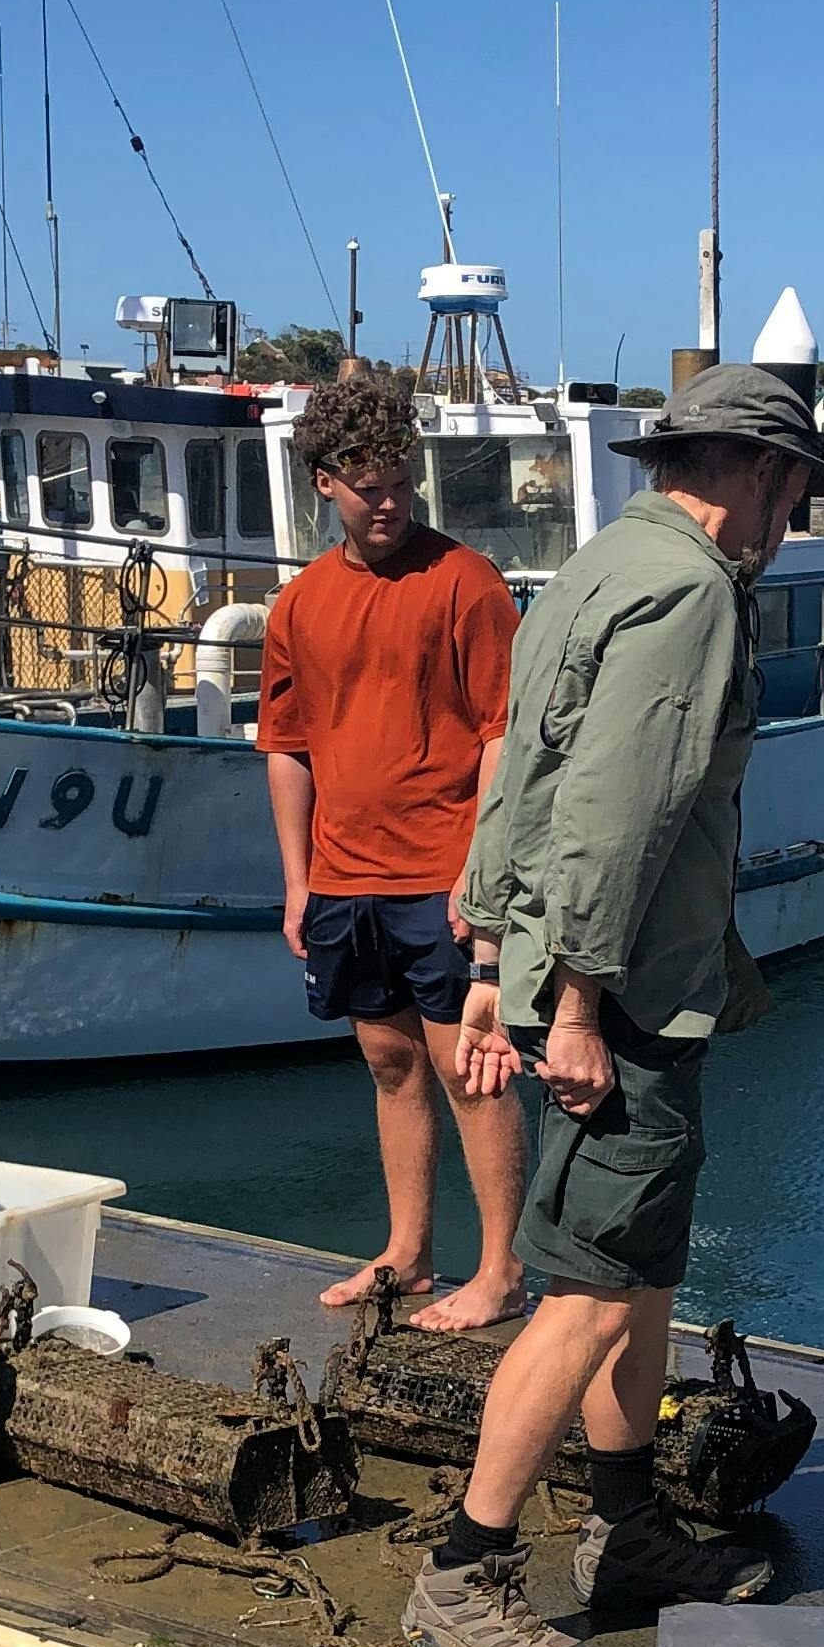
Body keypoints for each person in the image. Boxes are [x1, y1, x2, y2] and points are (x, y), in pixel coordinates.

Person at [405, 364, 824, 1647]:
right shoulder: (695, 594)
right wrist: (581, 1001)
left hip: (592, 976)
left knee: (642, 1274)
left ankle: (628, 1527)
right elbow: (618, 811)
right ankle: (465, 1570)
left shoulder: (597, 566)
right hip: (625, 995)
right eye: (794, 488)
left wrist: (490, 953)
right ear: (757, 475)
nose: (793, 515)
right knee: (593, 1294)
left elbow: (515, 765)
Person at [257, 367, 530, 1328]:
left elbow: (504, 730)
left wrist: (478, 871)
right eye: (366, 484)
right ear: (322, 481)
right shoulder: (298, 606)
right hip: (342, 878)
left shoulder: (465, 582)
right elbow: (286, 746)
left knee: (472, 1065)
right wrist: (298, 883)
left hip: (444, 874)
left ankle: (500, 1270)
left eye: (399, 482)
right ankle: (408, 1252)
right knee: (388, 1060)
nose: (387, 502)